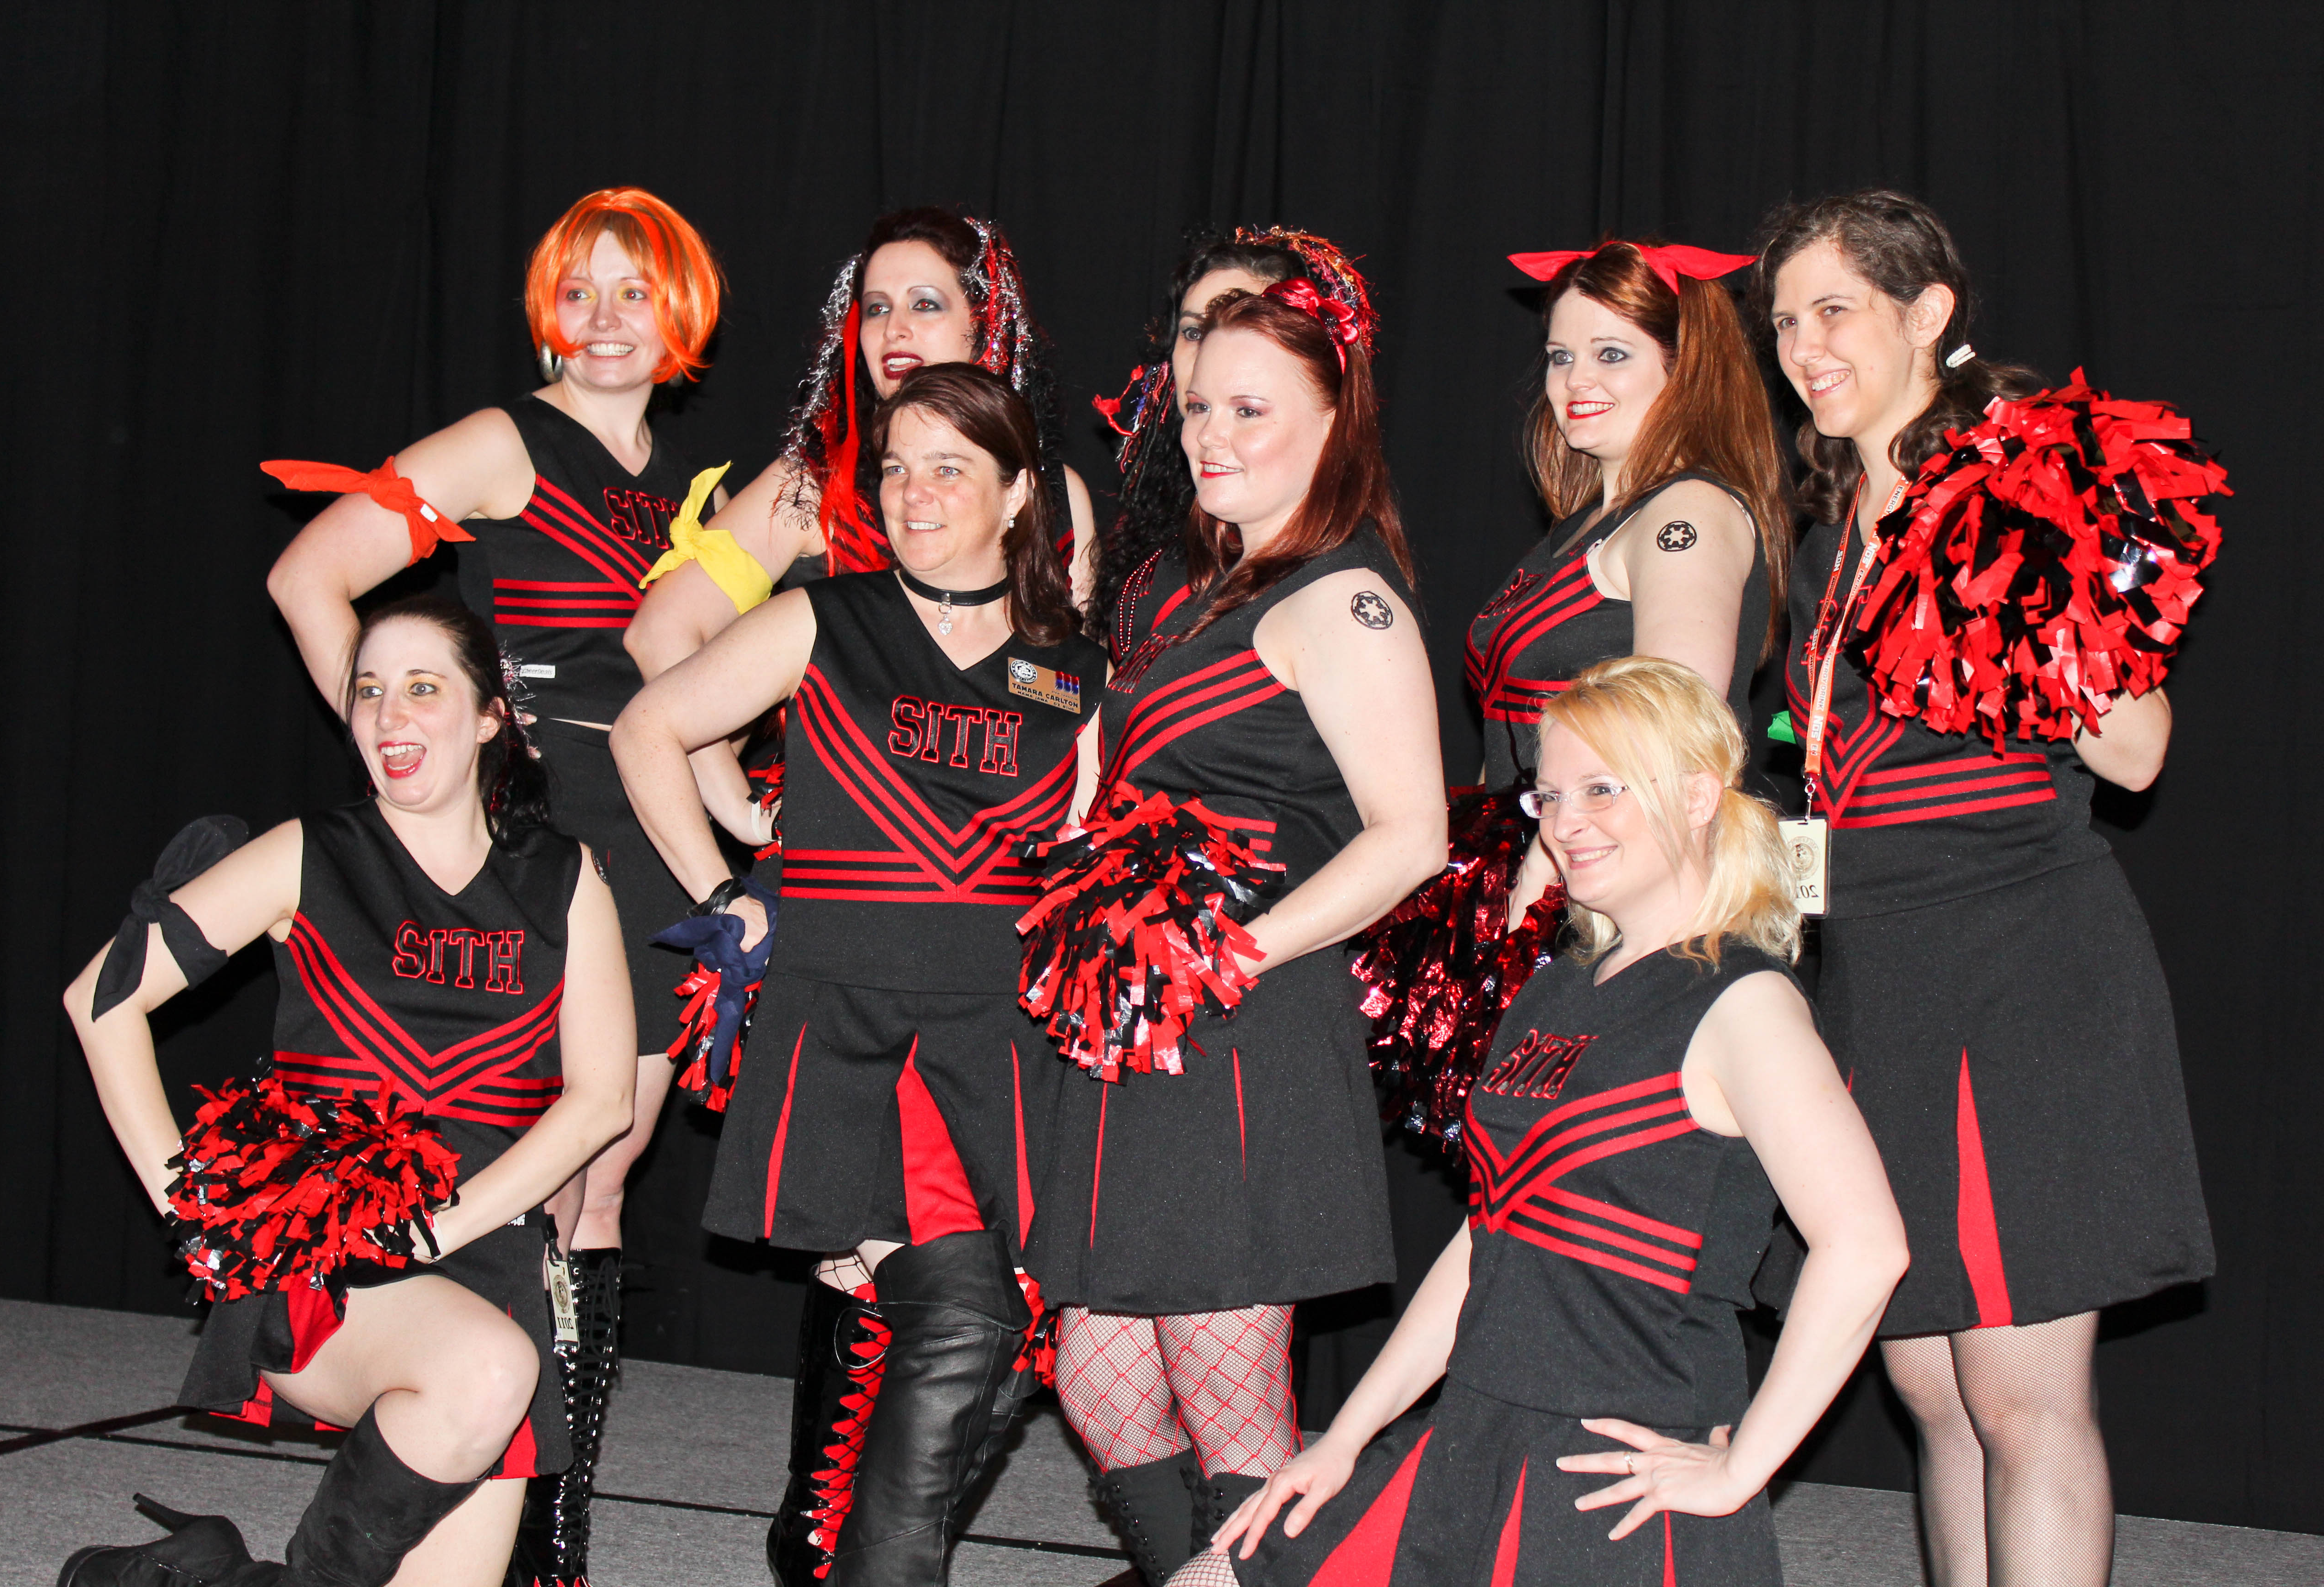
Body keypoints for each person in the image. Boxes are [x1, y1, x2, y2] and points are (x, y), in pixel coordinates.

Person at [1171, 656, 1908, 1587]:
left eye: (1603, 789)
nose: (1565, 822)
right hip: (1469, 1434)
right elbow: (1492, 1235)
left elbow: (1866, 1247)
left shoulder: (1744, 1003)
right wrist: (1346, 1438)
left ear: (1695, 796)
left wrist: (1741, 1467)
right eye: (1549, 796)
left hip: (1607, 1481)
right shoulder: (1555, 987)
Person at [262, 186, 724, 1583]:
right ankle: (458, 1477)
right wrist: (417, 759)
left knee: (603, 1183)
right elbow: (309, 576)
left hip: (654, 857)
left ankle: (551, 1535)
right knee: (530, 1185)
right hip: (533, 850)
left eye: (633, 290)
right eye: (579, 290)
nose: (604, 318)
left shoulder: (691, 486)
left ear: (681, 310)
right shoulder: (505, 442)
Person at [1756, 189, 2215, 1587]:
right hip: (1875, 977)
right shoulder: (1830, 528)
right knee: (1931, 1390)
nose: (1803, 345)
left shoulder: (2015, 489)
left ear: (1928, 313)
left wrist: (2011, 571)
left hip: (2023, 971)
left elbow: (2135, 751)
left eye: (1835, 309)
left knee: (2020, 1394)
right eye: (1784, 320)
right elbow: (1821, 771)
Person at [613, 364, 1105, 1585]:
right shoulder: (826, 619)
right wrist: (726, 890)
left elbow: (1090, 855)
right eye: (895, 469)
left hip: (1004, 1043)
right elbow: (648, 727)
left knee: (994, 1325)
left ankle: (831, 1547)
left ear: (1018, 494)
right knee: (969, 1313)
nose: (914, 493)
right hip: (855, 1035)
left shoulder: (1075, 668)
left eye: (949, 468)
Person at [58, 597, 636, 1587]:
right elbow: (100, 1001)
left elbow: (601, 1101)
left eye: (422, 688)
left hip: (487, 1265)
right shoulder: (311, 854)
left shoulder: (564, 877)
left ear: (490, 717)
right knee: (489, 1366)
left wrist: (446, 1228)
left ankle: (204, 1575)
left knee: (492, 1362)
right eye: (369, 691)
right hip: (330, 1270)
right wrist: (195, 1211)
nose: (389, 714)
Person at [1027, 281, 1447, 1585]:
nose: (1211, 433)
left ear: (1334, 419)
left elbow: (1410, 836)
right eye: (1199, 405)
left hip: (1245, 1032)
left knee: (1234, 1411)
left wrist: (1230, 956)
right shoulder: (1192, 589)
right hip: (1141, 1037)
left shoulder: (1346, 599)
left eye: (1249, 409)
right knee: (1099, 1384)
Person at [1362, 237, 1793, 1146]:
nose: (1574, 381)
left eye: (1611, 354)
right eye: (1560, 355)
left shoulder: (1685, 512)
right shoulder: (1585, 526)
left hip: (1606, 903)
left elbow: (1671, 726)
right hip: (1546, 890)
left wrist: (1544, 871)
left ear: (1685, 367)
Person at [626, 206, 1095, 725]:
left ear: (983, 324)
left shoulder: (1056, 492)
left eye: (925, 304)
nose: (895, 329)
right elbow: (661, 632)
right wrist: (724, 779)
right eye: (876, 308)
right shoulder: (812, 488)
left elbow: (1082, 692)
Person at [1088, 226, 1375, 655]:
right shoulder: (1167, 510)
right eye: (1193, 332)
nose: (1212, 349)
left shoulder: (1335, 575)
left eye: (1243, 321)